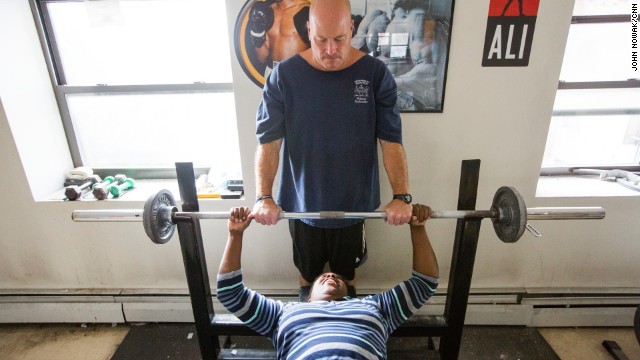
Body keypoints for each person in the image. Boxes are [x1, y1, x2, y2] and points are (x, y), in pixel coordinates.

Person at [252, 0, 414, 301]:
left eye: (339, 39)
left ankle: (350, 335)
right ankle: (307, 337)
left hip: (353, 206)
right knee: (308, 277)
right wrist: (264, 197)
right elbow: (269, 141)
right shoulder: (283, 77)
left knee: (346, 279)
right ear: (309, 30)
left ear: (351, 28)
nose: (330, 50)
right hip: (302, 206)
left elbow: (390, 139)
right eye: (320, 40)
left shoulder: (375, 74)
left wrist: (401, 196)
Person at [217, 204, 439, 359]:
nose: (331, 275)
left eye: (335, 277)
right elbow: (230, 294)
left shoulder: (375, 307)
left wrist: (418, 227)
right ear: (308, 295)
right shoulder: (284, 312)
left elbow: (424, 283)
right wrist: (235, 234)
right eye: (325, 276)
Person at [249, 0, 312, 77]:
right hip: (271, 73)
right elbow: (262, 58)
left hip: (297, 74)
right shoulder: (269, 11)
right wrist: (257, 32)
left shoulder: (308, 11)